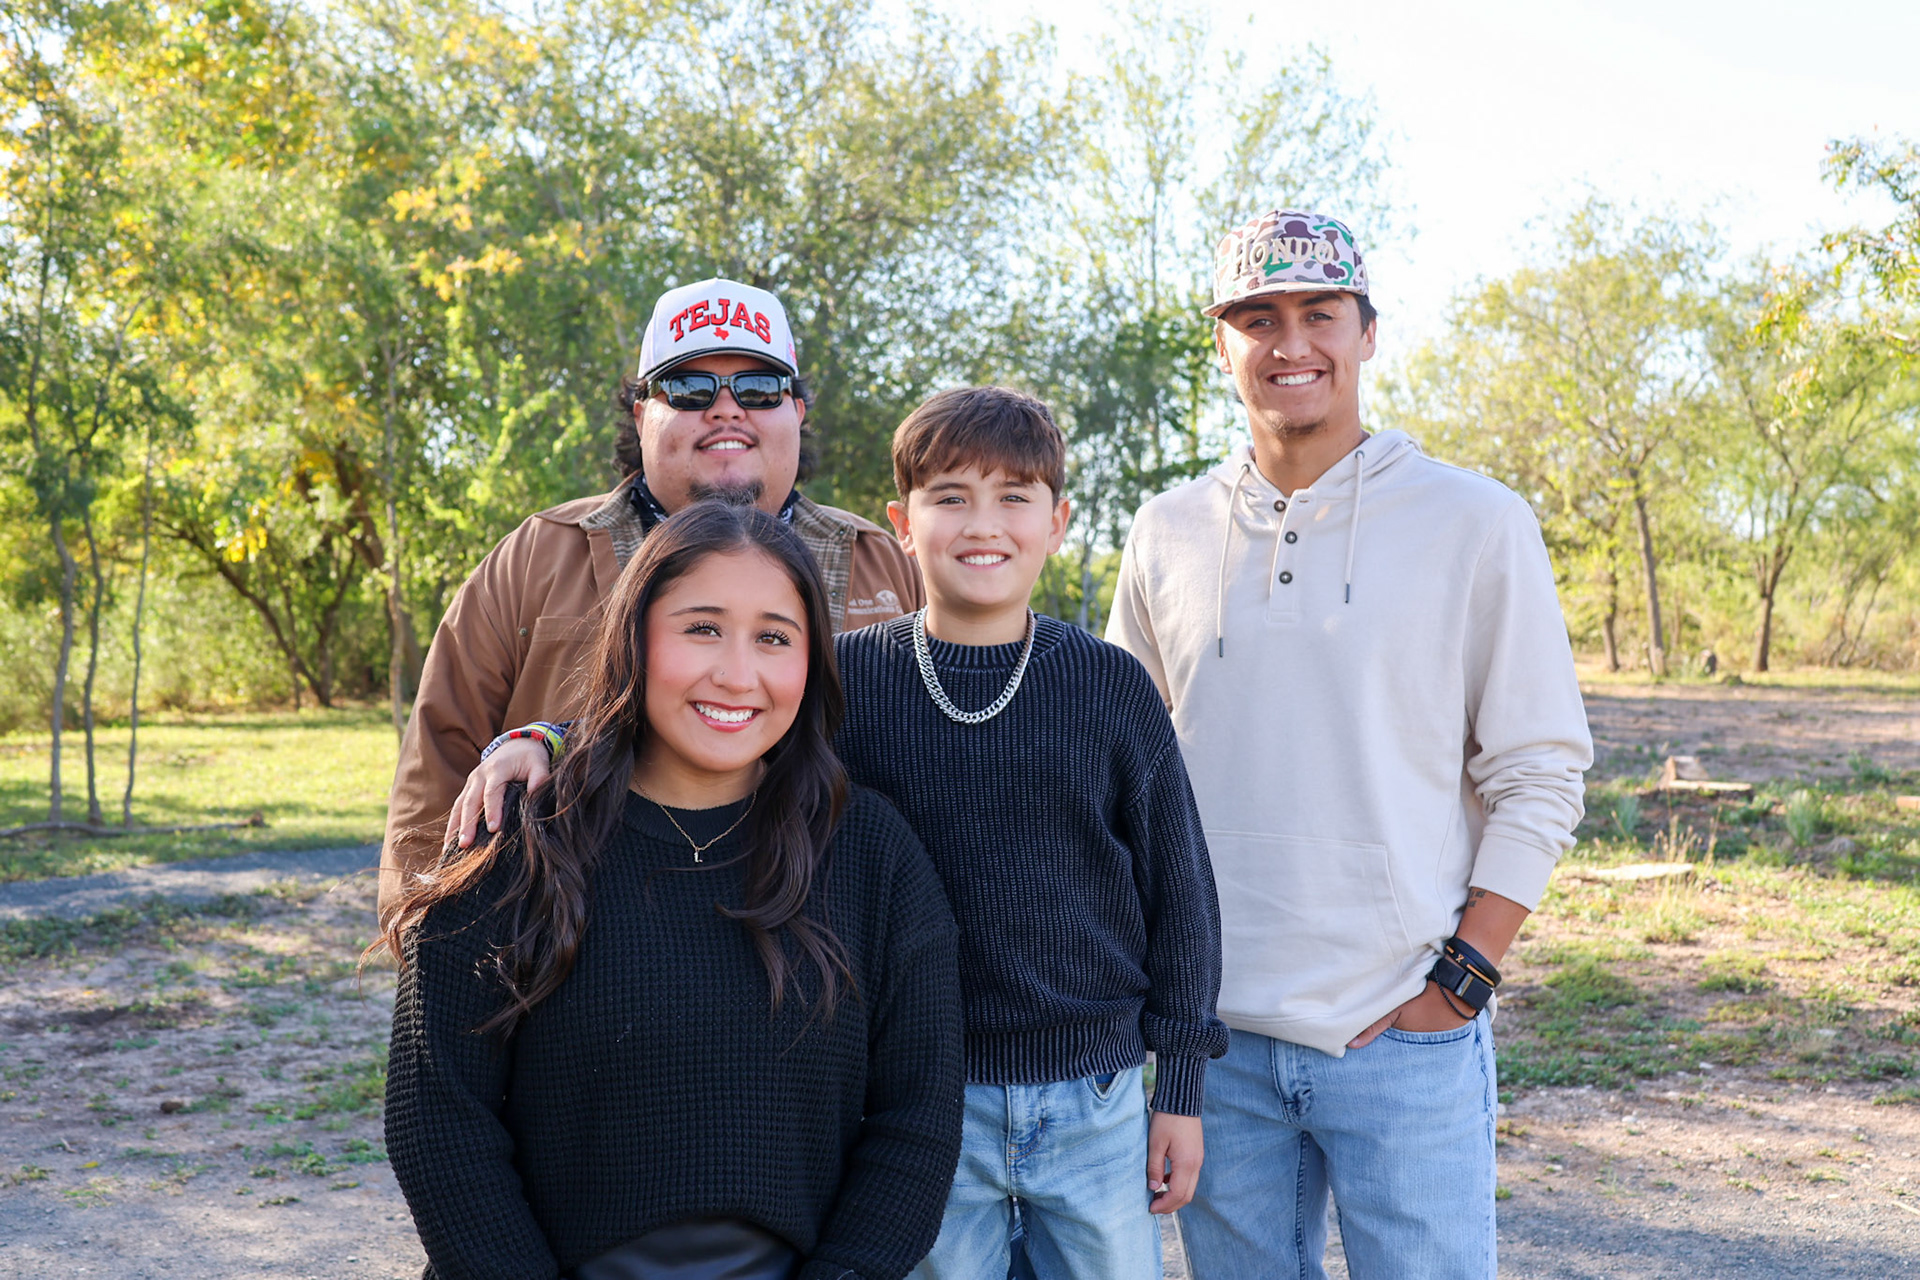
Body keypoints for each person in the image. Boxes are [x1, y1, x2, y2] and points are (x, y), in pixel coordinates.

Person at [456, 387, 1228, 1280]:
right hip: (916, 1097)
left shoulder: (1109, 686)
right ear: (902, 526)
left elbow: (1182, 892)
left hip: (1091, 1094)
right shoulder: (848, 677)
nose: (983, 524)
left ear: (1057, 523)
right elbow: (706, 719)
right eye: (951, 497)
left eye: (1014, 497)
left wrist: (1180, 1088)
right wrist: (545, 739)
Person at [1104, 209, 1594, 1278]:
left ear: (1367, 332)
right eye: (1258, 318)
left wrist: (1460, 981)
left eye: (1319, 314)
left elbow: (1542, 770)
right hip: (1216, 1047)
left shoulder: (1474, 522)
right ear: (1221, 342)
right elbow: (1122, 779)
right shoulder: (1166, 531)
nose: (1291, 344)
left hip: (1404, 1033)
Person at [381, 501, 963, 1280]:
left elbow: (918, 1121)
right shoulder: (518, 841)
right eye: (702, 628)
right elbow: (438, 1122)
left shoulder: (872, 854)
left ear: (811, 662)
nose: (737, 674)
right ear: (635, 637)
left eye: (774, 638)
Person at [379, 277, 922, 918]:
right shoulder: (535, 556)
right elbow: (439, 761)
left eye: (758, 388)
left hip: (823, 943)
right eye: (689, 389)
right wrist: (427, 936)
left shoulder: (888, 564)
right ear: (641, 416)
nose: (726, 410)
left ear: (797, 412)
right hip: (571, 944)